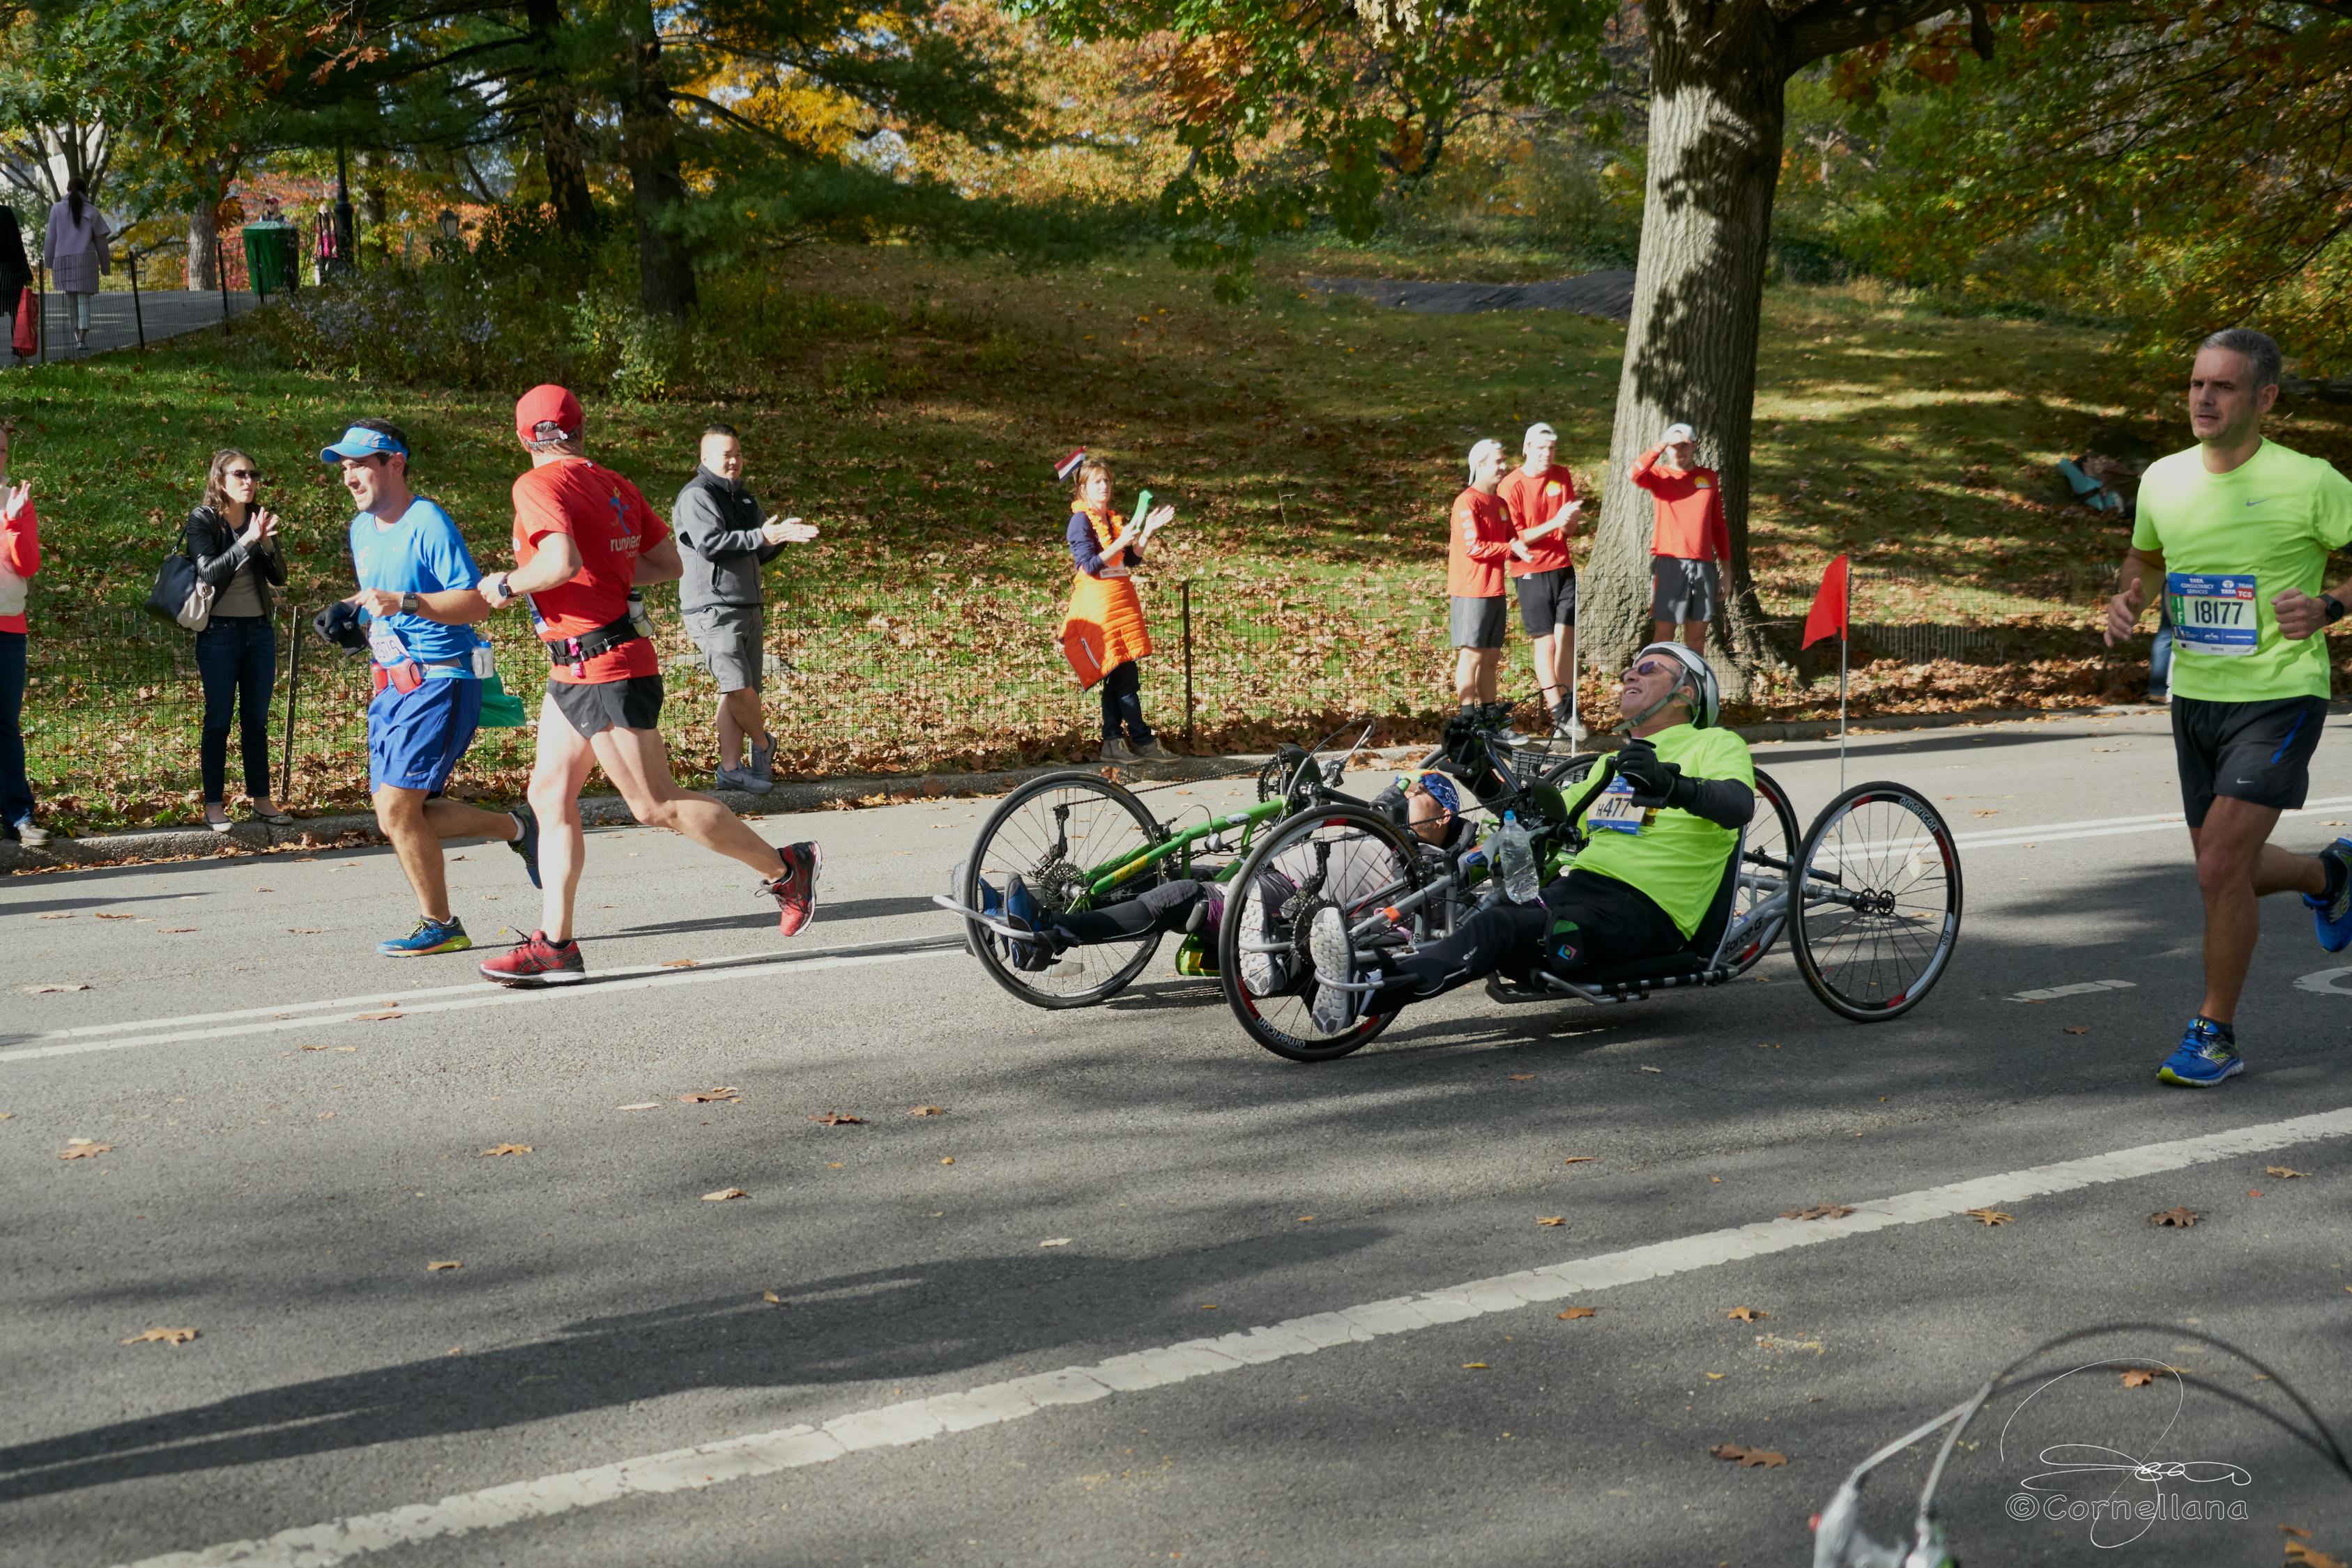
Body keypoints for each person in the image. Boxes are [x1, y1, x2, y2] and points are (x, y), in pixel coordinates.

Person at [473, 385, 821, 985]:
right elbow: (666, 565)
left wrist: (507, 583)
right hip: (575, 665)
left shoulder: (536, 485)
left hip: (602, 662)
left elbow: (559, 564)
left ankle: (788, 868)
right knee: (549, 797)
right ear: (581, 430)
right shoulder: (614, 484)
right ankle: (555, 944)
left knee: (655, 805)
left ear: (523, 437)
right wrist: (604, 571)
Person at [2102, 327, 2352, 1088]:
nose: (2203, 399)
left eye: (2222, 387)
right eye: (2195, 384)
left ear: (2264, 398)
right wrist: (2127, 596)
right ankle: (2326, 877)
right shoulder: (2163, 479)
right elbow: (2145, 555)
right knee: (2223, 870)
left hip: (2279, 696)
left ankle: (2213, 1034)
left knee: (2217, 866)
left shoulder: (2310, 482)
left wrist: (2330, 606)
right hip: (2195, 697)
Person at [1307, 643, 1754, 1031]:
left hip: (1648, 910)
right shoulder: (1610, 765)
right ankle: (1303, 975)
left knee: (1499, 927)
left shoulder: (1714, 743)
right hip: (1581, 889)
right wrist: (1475, 769)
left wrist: (1674, 786)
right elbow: (1533, 818)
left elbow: (1737, 804)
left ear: (1687, 693)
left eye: (1650, 668)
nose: (1631, 674)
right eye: (1628, 671)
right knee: (1484, 912)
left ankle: (1366, 995)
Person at [320, 419, 540, 955]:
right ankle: (519, 830)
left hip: (442, 680)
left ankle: (441, 924)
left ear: (395, 463)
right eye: (343, 467)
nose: (349, 476)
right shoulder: (362, 529)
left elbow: (476, 601)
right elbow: (378, 591)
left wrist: (406, 602)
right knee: (400, 813)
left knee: (398, 809)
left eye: (360, 465)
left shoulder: (428, 522)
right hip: (393, 685)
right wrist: (347, 609)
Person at [980, 771, 1469, 976]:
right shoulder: (1384, 833)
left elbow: (1408, 927)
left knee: (1180, 898)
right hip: (1273, 875)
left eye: (1416, 795)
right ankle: (1023, 918)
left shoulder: (1427, 867)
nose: (1402, 796)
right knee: (1153, 875)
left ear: (1442, 816)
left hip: (1283, 907)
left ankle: (1047, 936)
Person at [673, 423, 817, 793]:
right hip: (713, 609)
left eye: (738, 453)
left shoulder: (746, 498)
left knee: (737, 689)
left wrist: (780, 536)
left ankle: (730, 769)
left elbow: (759, 548)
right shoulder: (696, 496)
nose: (734, 460)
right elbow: (711, 544)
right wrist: (761, 536)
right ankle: (765, 743)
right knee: (739, 688)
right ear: (705, 458)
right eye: (726, 455)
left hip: (749, 605)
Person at [187, 449, 291, 831]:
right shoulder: (203, 520)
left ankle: (261, 800)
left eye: (254, 474)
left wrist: (265, 544)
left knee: (256, 721)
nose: (249, 481)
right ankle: (213, 805)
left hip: (259, 632)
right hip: (219, 634)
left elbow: (279, 577)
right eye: (240, 474)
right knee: (218, 720)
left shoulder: (258, 516)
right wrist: (248, 540)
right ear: (221, 480)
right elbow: (209, 573)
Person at [1057, 451, 1175, 763]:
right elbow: (1090, 565)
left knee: (1117, 673)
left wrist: (1146, 532)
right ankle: (1143, 740)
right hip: (1100, 608)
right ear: (1082, 488)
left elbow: (1130, 559)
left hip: (1122, 604)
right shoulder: (1079, 521)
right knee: (1125, 677)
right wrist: (1121, 542)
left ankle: (1112, 742)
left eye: (1107, 481)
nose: (1104, 487)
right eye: (1097, 482)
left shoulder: (1112, 519)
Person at [1497, 422, 1583, 739]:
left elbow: (1568, 531)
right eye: (1541, 449)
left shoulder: (1561, 476)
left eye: (1552, 449)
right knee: (1545, 642)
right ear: (1527, 449)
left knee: (1566, 641)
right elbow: (1516, 537)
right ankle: (1559, 712)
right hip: (1530, 569)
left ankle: (1571, 709)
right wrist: (1555, 523)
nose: (1547, 455)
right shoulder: (1512, 485)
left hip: (1563, 566)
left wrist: (1569, 522)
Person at [1631, 422, 1730, 654]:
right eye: (1673, 446)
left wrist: (1727, 571)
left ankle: (1692, 689)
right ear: (1666, 448)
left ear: (1695, 446)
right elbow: (1634, 473)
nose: (1679, 451)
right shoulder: (1659, 476)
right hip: (1670, 563)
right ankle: (1657, 688)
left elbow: (1719, 527)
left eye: (1685, 445)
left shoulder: (1709, 478)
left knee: (1696, 640)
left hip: (1704, 565)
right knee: (1664, 636)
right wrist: (1660, 444)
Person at [1449, 439, 1515, 730]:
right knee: (1473, 653)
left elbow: (1515, 540)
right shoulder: (1467, 501)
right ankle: (1467, 714)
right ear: (1479, 465)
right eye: (1497, 462)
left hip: (1495, 588)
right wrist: (1511, 549)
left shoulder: (1500, 504)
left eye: (1504, 461)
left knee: (1491, 654)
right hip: (1471, 589)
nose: (1504, 466)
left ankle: (1489, 711)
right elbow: (1474, 547)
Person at [0, 426, 42, 846]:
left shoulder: (17, 501)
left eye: (3, 450)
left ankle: (19, 817)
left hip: (8, 626)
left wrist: (13, 520)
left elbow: (28, 565)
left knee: (5, 727)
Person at [43, 179, 110, 353]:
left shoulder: (57, 209)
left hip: (63, 261)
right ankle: (82, 338)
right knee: (83, 299)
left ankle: (76, 334)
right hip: (85, 261)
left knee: (71, 299)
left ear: (68, 189)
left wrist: (49, 261)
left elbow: (51, 238)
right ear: (85, 190)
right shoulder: (92, 211)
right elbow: (102, 243)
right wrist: (105, 266)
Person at [0, 204, 31, 362]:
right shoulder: (4, 212)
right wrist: (25, 271)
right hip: (10, 271)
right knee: (16, 312)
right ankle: (19, 350)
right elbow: (15, 243)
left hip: (9, 271)